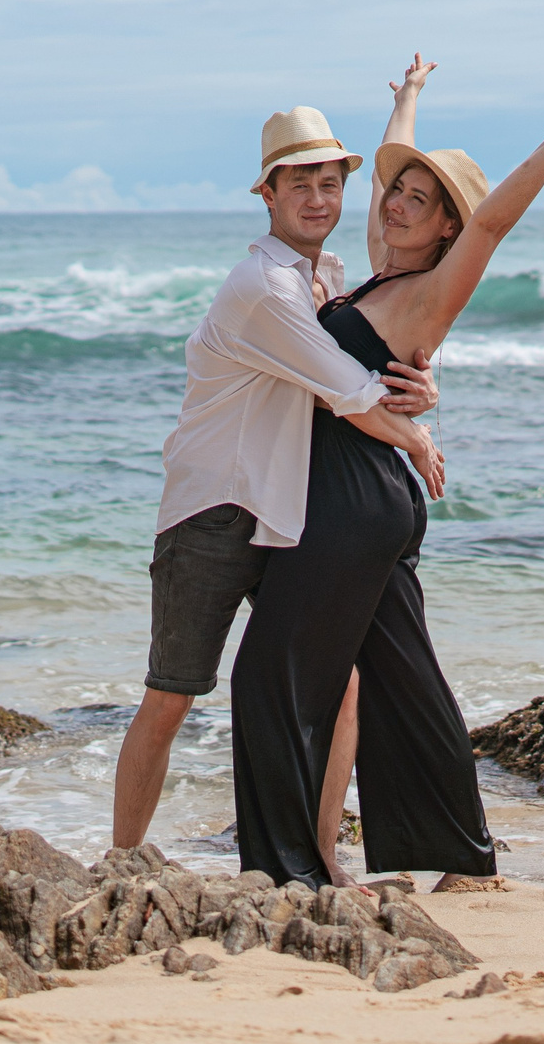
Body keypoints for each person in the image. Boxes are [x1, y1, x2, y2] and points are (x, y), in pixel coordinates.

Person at [230, 63, 544, 888]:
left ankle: (283, 869)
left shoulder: (432, 286)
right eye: (396, 193)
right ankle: (459, 856)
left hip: (352, 499)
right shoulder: (385, 268)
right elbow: (395, 158)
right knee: (404, 677)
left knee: (268, 672)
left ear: (447, 226)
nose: (395, 202)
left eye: (419, 199)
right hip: (373, 491)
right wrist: (406, 100)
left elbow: (492, 225)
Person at [109, 105, 443, 853]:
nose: (318, 198)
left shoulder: (321, 276)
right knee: (171, 697)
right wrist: (415, 434)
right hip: (214, 510)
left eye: (330, 183)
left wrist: (422, 396)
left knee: (342, 682)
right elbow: (348, 390)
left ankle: (322, 858)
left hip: (289, 514)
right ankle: (122, 860)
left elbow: (381, 342)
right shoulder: (262, 287)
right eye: (301, 184)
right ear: (268, 192)